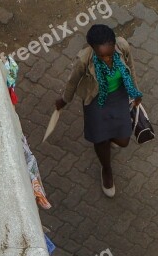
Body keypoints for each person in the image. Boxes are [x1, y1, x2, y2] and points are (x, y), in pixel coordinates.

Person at [56, 25, 142, 198]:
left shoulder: (123, 46)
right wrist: (64, 100)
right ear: (93, 49)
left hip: (118, 96)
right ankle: (106, 169)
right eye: (101, 55)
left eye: (109, 54)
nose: (107, 59)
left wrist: (135, 91)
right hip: (95, 99)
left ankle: (108, 136)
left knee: (123, 140)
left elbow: (130, 68)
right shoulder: (84, 59)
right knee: (100, 139)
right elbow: (72, 82)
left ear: (114, 45)